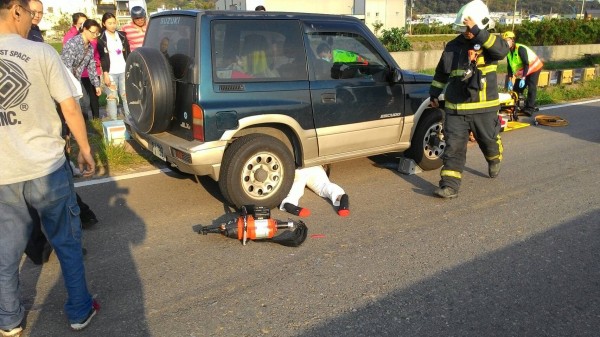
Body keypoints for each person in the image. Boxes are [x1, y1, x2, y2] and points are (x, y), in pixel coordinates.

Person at [0, 0, 99, 334]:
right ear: (15, 10)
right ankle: (79, 310)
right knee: (67, 242)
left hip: (2, 174)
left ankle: (10, 321)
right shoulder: (41, 53)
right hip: (47, 168)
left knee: (5, 251)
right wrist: (85, 149)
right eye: (29, 12)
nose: (32, 19)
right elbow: (69, 107)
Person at [429, 0, 509, 199]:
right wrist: (434, 93)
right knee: (453, 146)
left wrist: (478, 32)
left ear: (481, 24)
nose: (467, 30)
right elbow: (441, 72)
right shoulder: (453, 46)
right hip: (456, 108)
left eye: (470, 27)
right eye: (464, 26)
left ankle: (494, 158)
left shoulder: (491, 43)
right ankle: (449, 185)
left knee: (488, 141)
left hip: (484, 108)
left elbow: (502, 51)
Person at [61, 18, 102, 121]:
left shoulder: (90, 47)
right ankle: (69, 131)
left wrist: (96, 85)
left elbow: (91, 66)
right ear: (84, 29)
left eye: (97, 33)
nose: (94, 35)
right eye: (92, 32)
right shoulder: (73, 43)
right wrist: (71, 84)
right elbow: (66, 65)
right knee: (74, 105)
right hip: (66, 80)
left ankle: (84, 128)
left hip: (76, 79)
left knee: (85, 103)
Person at [97, 12, 131, 121]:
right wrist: (105, 74)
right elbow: (102, 58)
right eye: (109, 23)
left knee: (126, 95)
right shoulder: (101, 39)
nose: (112, 25)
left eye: (114, 22)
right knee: (112, 97)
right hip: (111, 72)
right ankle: (114, 121)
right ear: (104, 24)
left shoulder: (122, 35)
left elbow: (128, 53)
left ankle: (130, 119)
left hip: (124, 70)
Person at [279, 166, 349, 217]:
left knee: (297, 186)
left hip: (297, 168)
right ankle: (340, 196)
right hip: (315, 166)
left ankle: (289, 203)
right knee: (323, 186)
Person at [502, 30, 544, 116]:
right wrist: (510, 79)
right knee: (516, 89)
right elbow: (509, 67)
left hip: (534, 67)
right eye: (504, 41)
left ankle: (529, 108)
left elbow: (526, 63)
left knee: (531, 86)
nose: (505, 43)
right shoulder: (508, 52)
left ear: (512, 40)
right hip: (524, 70)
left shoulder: (520, 49)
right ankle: (516, 106)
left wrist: (524, 78)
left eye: (507, 40)